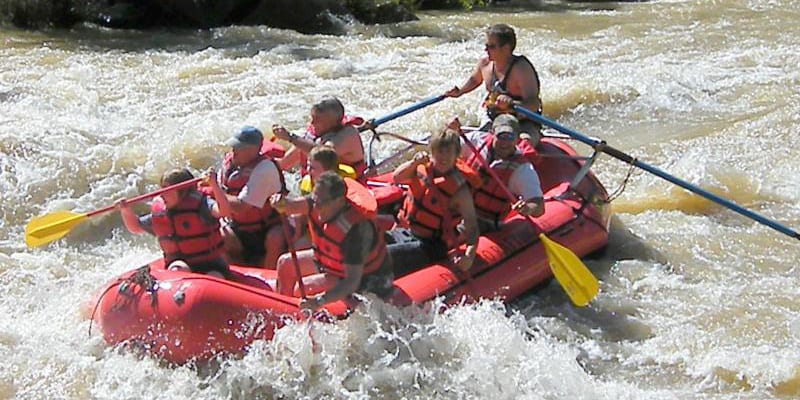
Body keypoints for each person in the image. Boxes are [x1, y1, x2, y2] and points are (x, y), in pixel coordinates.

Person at [270, 172, 394, 311]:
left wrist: (319, 301)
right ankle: (281, 313)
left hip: (365, 280)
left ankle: (301, 316)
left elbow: (352, 281)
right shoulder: (319, 201)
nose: (316, 207)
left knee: (302, 289)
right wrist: (281, 202)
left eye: (321, 202)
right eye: (314, 199)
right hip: (332, 265)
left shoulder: (356, 231)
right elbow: (292, 206)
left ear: (340, 201)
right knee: (285, 263)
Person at [390, 127, 481, 275]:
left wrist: (469, 256)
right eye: (439, 151)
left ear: (456, 155)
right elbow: (397, 177)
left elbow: (472, 227)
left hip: (430, 245)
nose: (443, 157)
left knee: (382, 255)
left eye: (448, 152)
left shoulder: (460, 191)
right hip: (405, 231)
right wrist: (413, 163)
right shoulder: (421, 168)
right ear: (432, 152)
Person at [117, 168, 232, 278]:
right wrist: (125, 210)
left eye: (166, 190)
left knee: (213, 276)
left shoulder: (202, 205)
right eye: (162, 189)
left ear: (182, 191)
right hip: (181, 263)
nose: (162, 195)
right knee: (178, 269)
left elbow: (224, 211)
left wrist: (214, 185)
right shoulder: (162, 213)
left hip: (211, 264)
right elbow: (135, 227)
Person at [444, 24, 544, 147]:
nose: (486, 50)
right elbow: (475, 80)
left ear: (506, 48)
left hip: (523, 123)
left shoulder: (521, 68)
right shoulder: (485, 63)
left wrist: (512, 104)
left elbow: (534, 104)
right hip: (494, 119)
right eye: (486, 45)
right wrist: (460, 91)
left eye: (491, 46)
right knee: (476, 143)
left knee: (524, 144)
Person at [456, 114, 544, 232]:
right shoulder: (476, 140)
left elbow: (539, 206)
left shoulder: (523, 169)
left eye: (510, 137)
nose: (504, 142)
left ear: (517, 139)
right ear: (492, 132)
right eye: (501, 136)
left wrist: (528, 208)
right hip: (457, 206)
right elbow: (449, 148)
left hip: (485, 222)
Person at [216, 126, 287, 268]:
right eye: (233, 147)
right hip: (238, 227)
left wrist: (213, 191)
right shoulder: (230, 163)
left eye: (238, 148)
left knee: (275, 237)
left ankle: (271, 277)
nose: (233, 151)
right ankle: (236, 276)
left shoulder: (264, 169)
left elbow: (241, 206)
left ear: (253, 151)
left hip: (266, 228)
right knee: (218, 233)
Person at [272, 96, 368, 180]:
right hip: (320, 181)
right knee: (302, 142)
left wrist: (290, 137)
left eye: (317, 120)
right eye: (312, 118)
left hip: (347, 182)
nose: (312, 123)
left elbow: (323, 153)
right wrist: (275, 166)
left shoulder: (348, 134)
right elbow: (299, 147)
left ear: (332, 122)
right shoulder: (317, 130)